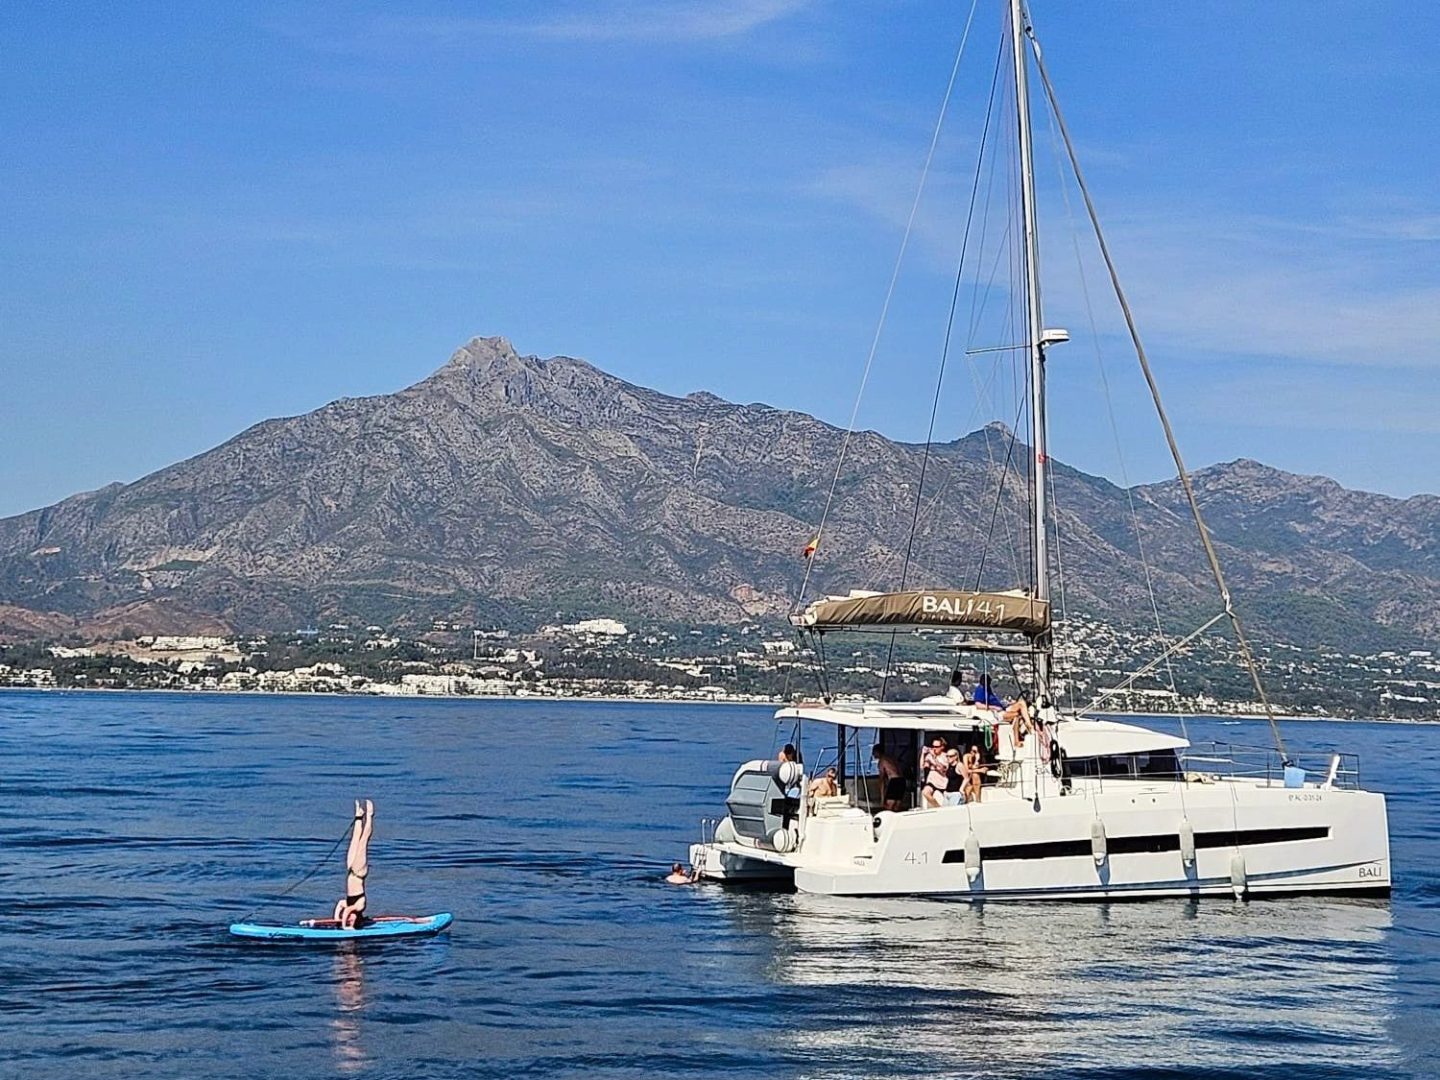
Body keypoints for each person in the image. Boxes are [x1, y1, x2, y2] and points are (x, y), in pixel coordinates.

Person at [333, 799, 374, 929]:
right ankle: (369, 816)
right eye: (352, 920)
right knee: (363, 840)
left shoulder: (349, 905)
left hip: (351, 870)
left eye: (349, 920)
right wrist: (344, 925)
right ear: (358, 918)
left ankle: (358, 816)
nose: (350, 918)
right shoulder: (360, 906)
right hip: (359, 872)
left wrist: (338, 922)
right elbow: (346, 911)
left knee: (355, 839)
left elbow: (341, 905)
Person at [872, 744, 906, 812]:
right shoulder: (891, 758)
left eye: (874, 752)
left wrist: (882, 798)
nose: (873, 754)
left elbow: (881, 780)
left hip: (894, 781)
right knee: (897, 805)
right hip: (902, 780)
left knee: (889, 805)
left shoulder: (882, 761)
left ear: (877, 752)